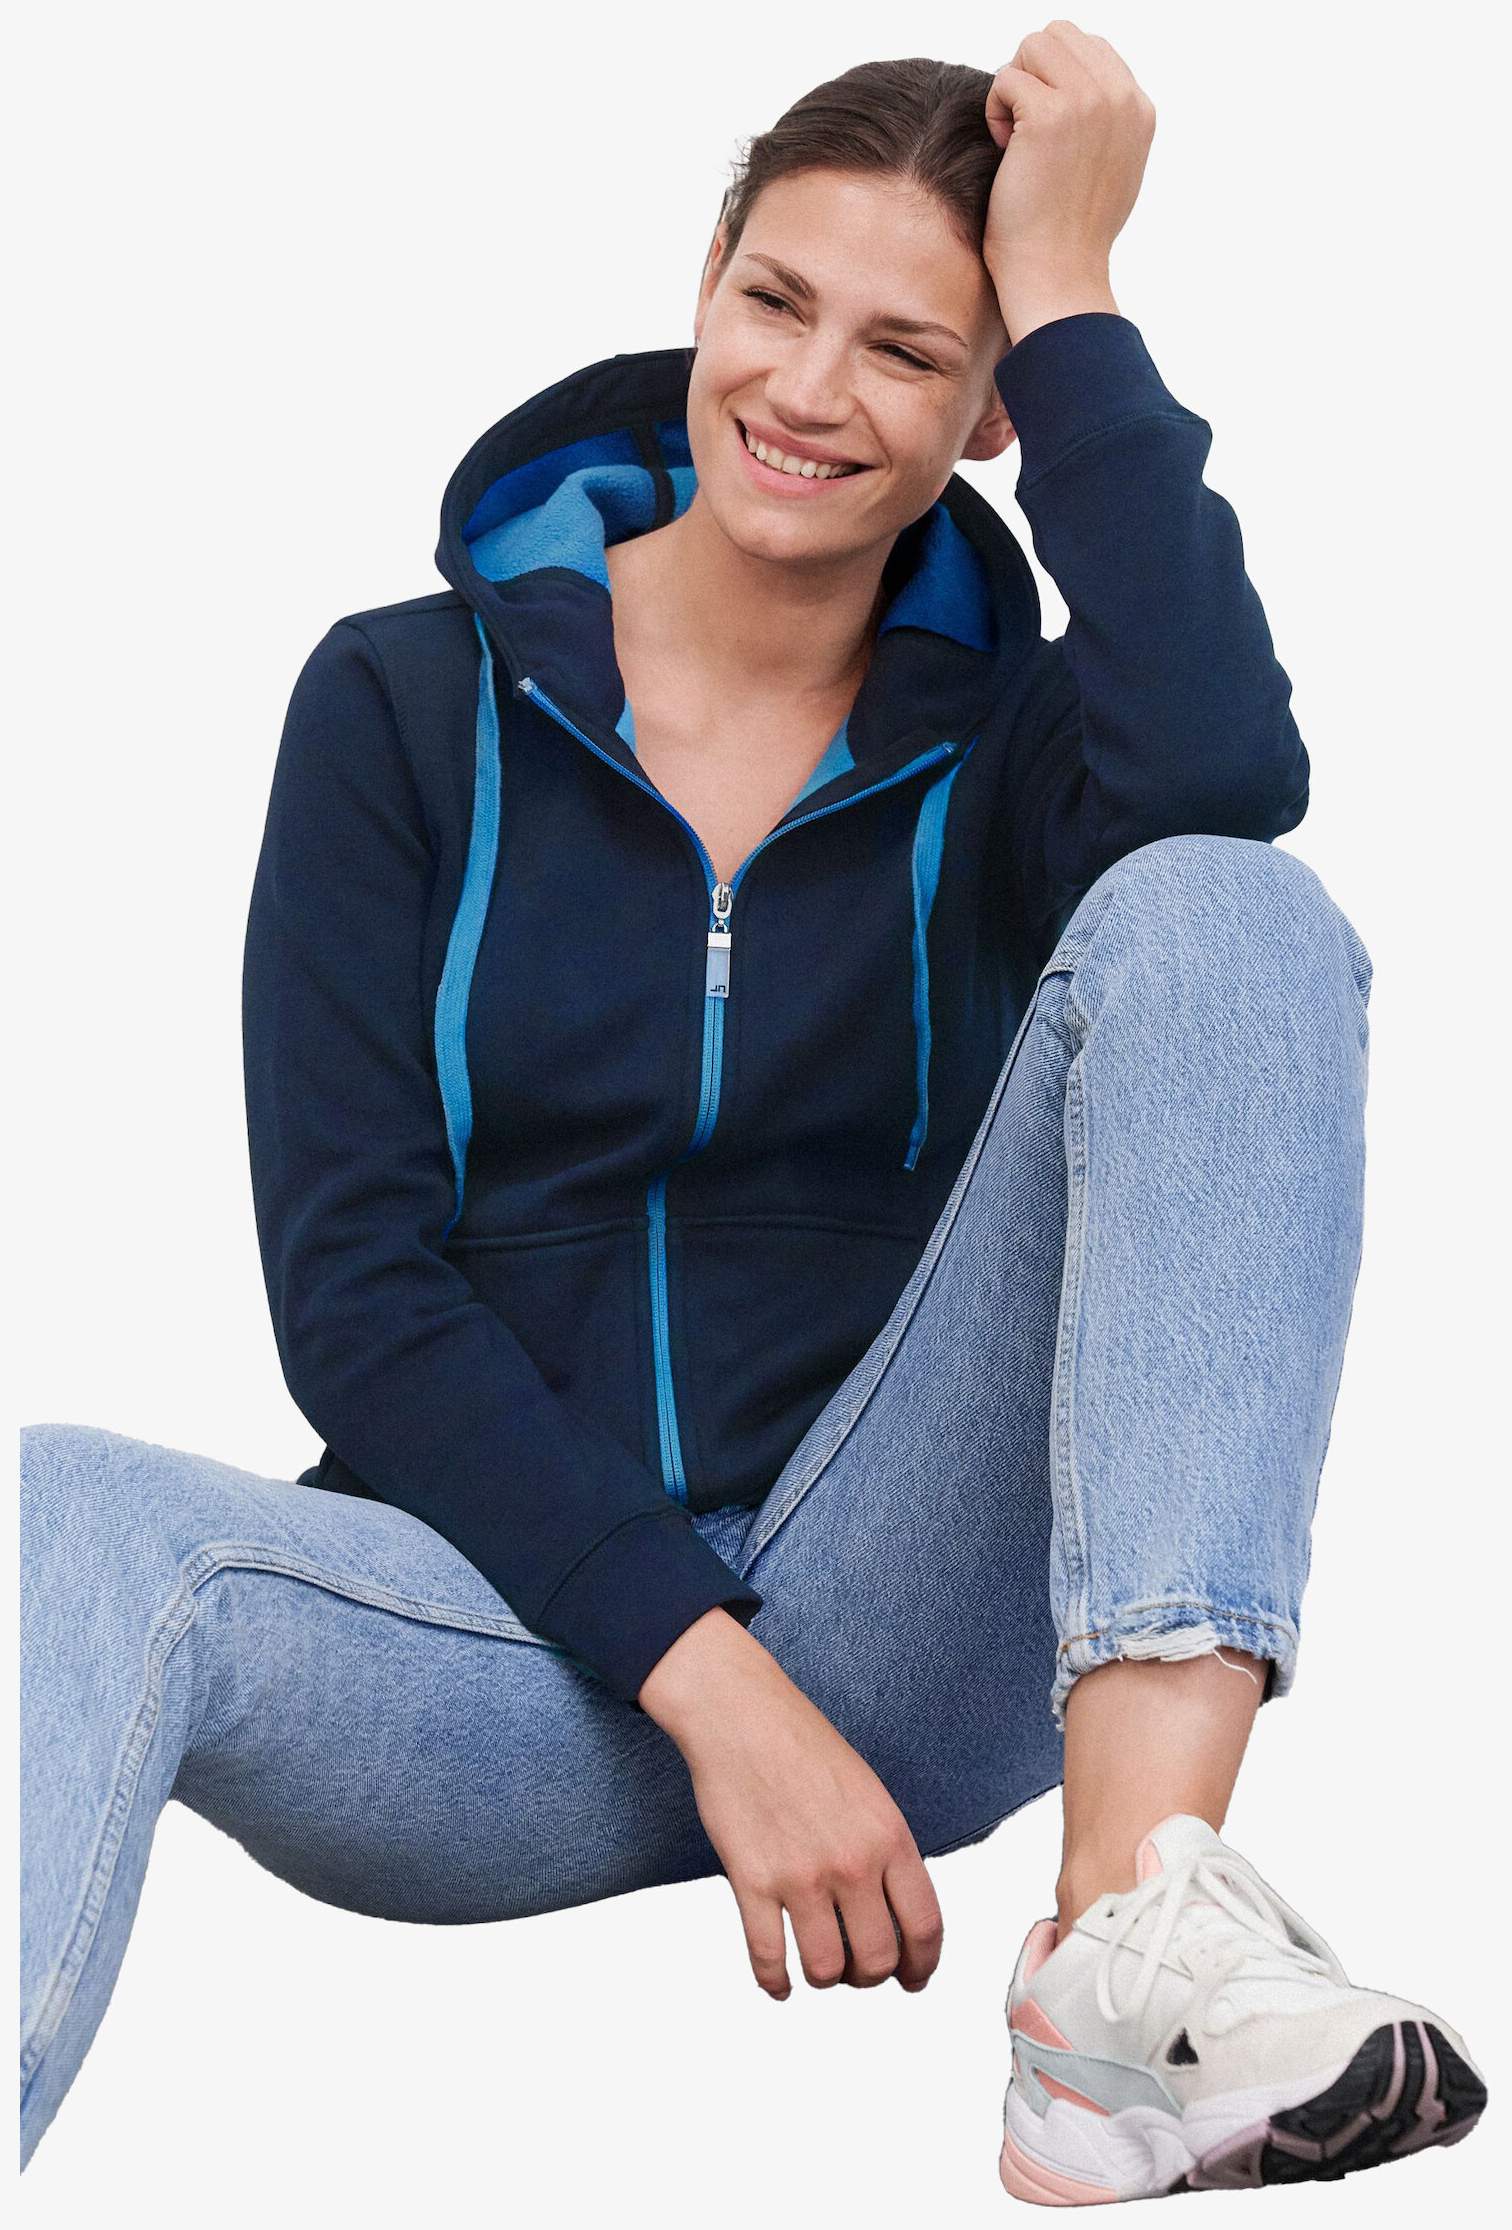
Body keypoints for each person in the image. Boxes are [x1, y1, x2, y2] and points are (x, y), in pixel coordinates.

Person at [19, 24, 1487, 2200]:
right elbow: (351, 1291)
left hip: (900, 1614)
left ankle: (1125, 1952)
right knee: (57, 1509)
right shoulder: (400, 704)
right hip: (493, 1640)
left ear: (993, 409)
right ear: (705, 278)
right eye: (779, 302)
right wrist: (711, 1682)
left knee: (1228, 911)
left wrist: (1073, 288)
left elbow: (1222, 780)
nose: (809, 390)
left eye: (912, 350)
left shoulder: (1016, 744)